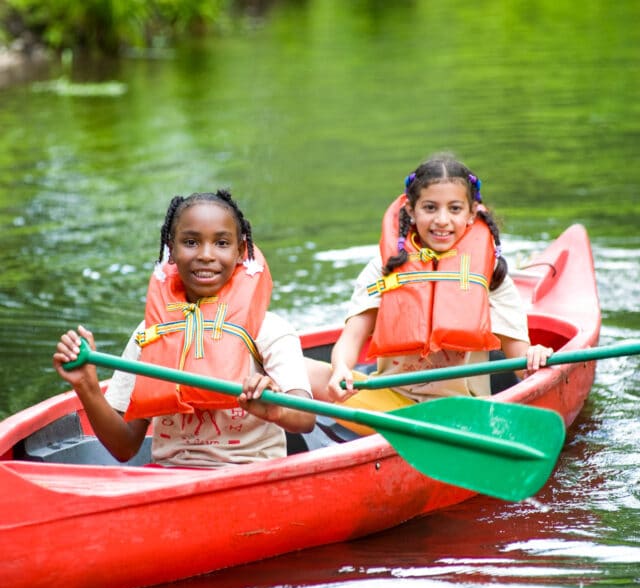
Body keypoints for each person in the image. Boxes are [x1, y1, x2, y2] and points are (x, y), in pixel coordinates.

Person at [53, 190, 315, 468]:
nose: (206, 255)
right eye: (190, 242)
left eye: (221, 243)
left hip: (249, 474)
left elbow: (305, 418)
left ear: (240, 251)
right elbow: (125, 446)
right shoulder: (150, 333)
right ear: (171, 250)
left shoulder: (268, 329)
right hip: (170, 478)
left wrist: (275, 410)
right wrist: (87, 386)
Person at [307, 153, 553, 428]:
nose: (442, 220)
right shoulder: (385, 267)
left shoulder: (490, 274)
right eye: (430, 208)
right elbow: (351, 339)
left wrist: (534, 356)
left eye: (455, 209)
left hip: (460, 416)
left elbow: (520, 361)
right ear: (411, 210)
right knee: (299, 369)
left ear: (473, 213)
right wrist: (341, 368)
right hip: (390, 412)